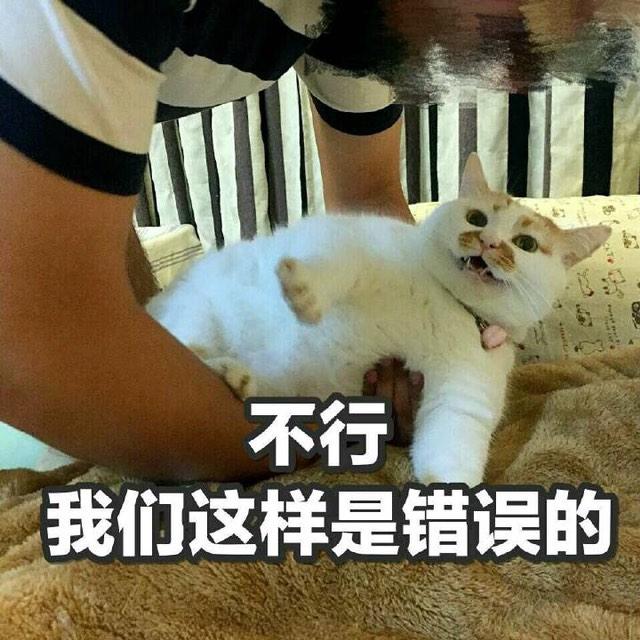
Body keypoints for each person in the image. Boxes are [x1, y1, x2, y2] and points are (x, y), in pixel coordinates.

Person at [0, 1, 628, 481]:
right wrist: (317, 434)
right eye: (573, 7)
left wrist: (413, 375)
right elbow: (26, 348)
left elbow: (367, 199)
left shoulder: (367, 26)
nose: (538, 60)